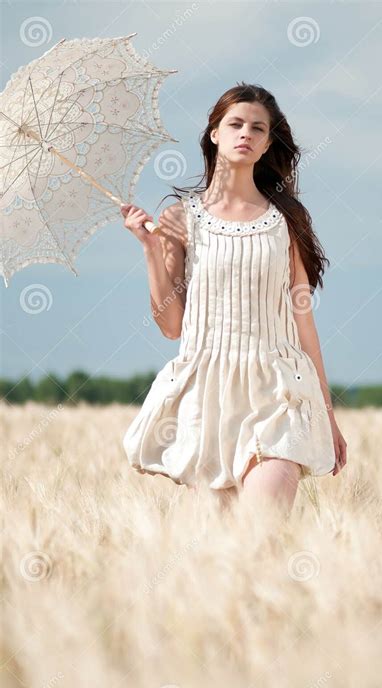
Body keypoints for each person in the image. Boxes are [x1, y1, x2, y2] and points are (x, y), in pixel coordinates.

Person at [120, 82, 347, 512]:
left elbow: (304, 321)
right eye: (236, 123)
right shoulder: (180, 218)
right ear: (215, 134)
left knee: (263, 528)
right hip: (208, 393)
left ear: (266, 145)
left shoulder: (287, 219)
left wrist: (328, 415)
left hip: (279, 391)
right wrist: (151, 250)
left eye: (258, 129)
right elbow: (171, 326)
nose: (246, 133)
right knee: (219, 554)